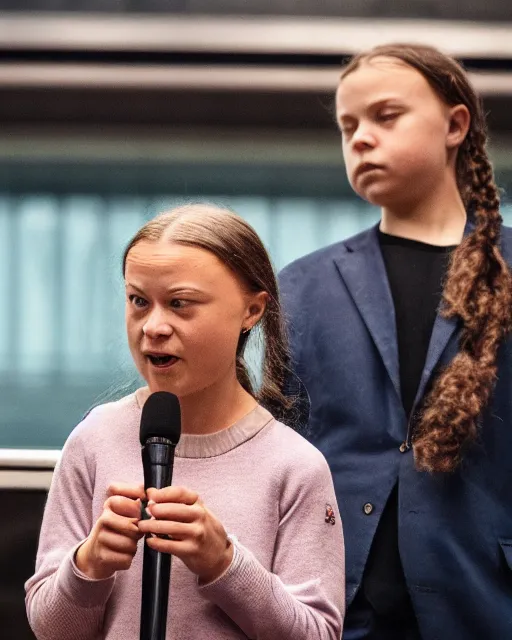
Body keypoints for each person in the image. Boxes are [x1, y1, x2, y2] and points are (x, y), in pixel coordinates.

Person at [25, 204, 345, 640]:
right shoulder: (93, 439)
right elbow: (50, 629)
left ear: (251, 310)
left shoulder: (295, 467)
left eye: (180, 304)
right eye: (139, 301)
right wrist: (89, 565)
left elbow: (320, 633)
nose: (153, 326)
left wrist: (225, 563)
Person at [279, 43, 512, 640]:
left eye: (385, 117)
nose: (359, 138)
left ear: (455, 125)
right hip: (334, 610)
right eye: (347, 126)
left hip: (487, 604)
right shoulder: (302, 286)